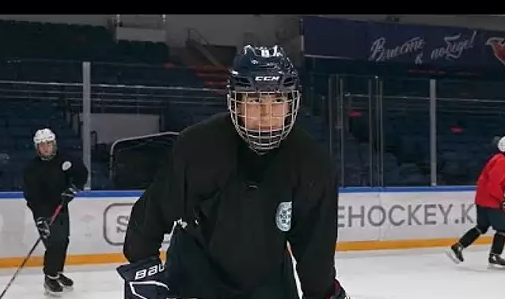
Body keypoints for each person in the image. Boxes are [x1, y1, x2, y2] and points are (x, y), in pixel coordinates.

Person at [116, 45, 349, 299]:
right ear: (235, 103)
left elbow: (315, 247)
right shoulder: (198, 146)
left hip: (268, 282)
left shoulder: (312, 162)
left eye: (278, 99)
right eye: (255, 100)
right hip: (196, 275)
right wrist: (144, 269)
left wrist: (323, 293)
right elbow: (153, 213)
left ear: (293, 102)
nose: (266, 112)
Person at [22, 128, 88, 295]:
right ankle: (49, 277)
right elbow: (31, 195)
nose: (45, 148)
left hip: (61, 206)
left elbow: (81, 173)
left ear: (54, 144)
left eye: (48, 144)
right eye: (42, 145)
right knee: (53, 243)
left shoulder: (64, 160)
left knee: (63, 240)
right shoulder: (32, 168)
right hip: (43, 210)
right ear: (37, 147)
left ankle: (57, 272)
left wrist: (73, 188)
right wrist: (40, 218)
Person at [447, 134, 505, 269]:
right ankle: (494, 255)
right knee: (502, 229)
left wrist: (502, 198)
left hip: (483, 199)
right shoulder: (503, 162)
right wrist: (502, 199)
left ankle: (458, 246)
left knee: (481, 227)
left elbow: (489, 182)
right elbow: (493, 185)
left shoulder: (497, 159)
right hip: (491, 201)